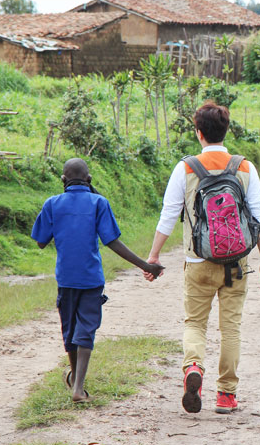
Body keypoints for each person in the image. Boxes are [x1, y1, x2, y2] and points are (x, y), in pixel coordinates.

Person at [144, 101, 260, 414]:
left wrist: (154, 255)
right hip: (237, 265)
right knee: (231, 329)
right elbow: (257, 217)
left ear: (199, 133)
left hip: (197, 262)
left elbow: (169, 215)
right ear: (226, 130)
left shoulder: (185, 168)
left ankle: (193, 369)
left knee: (195, 325)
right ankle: (226, 396)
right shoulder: (245, 167)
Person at [31, 158, 164, 403]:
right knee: (86, 329)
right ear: (89, 179)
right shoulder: (98, 203)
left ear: (63, 180)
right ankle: (77, 387)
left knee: (70, 330)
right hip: (91, 279)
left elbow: (40, 241)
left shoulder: (52, 204)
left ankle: (74, 380)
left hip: (66, 279)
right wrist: (145, 266)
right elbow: (112, 241)